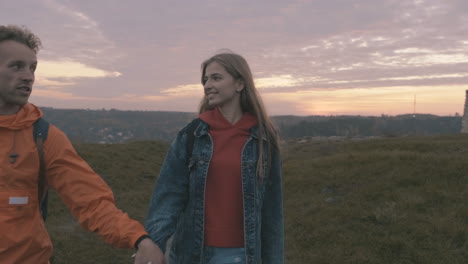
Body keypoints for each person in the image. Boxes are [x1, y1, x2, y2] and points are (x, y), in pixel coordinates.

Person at [0, 25, 165, 264]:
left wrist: (139, 239)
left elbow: (91, 201)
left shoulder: (43, 137)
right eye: (16, 66)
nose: (28, 76)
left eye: (32, 68)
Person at [145, 52, 284, 264]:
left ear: (239, 83)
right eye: (205, 79)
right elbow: (168, 197)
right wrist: (154, 246)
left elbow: (272, 213)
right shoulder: (191, 135)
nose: (207, 85)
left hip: (242, 255)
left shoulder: (263, 138)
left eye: (216, 78)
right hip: (192, 254)